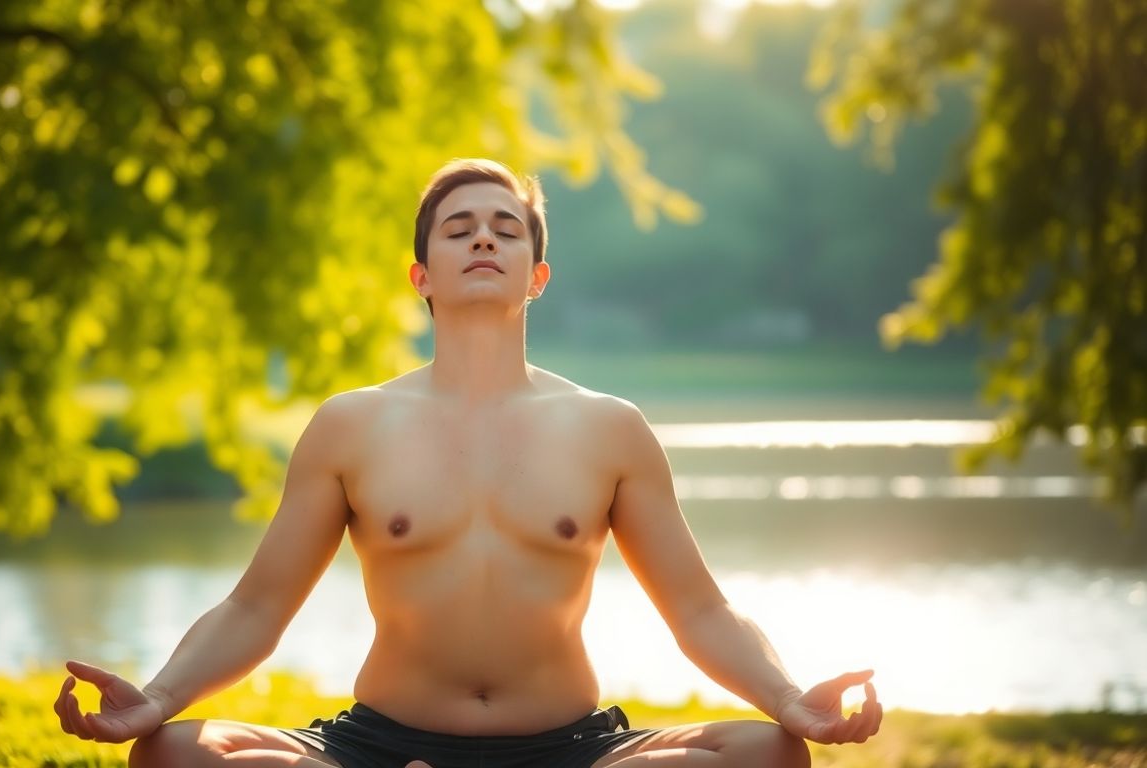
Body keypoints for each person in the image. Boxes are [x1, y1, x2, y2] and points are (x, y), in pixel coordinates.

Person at [54, 158, 883, 767]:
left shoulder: (609, 428)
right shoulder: (352, 424)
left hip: (571, 750)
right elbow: (256, 608)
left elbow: (701, 612)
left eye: (505, 227)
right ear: (423, 275)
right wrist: (157, 700)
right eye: (459, 228)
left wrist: (786, 698)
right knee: (173, 756)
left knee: (769, 755)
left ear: (538, 275)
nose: (483, 236)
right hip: (379, 745)